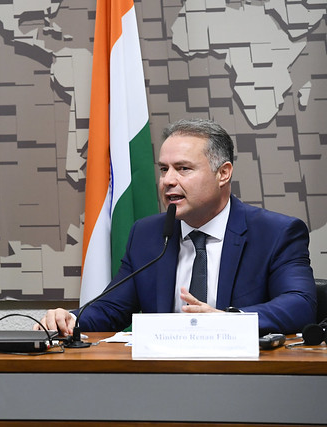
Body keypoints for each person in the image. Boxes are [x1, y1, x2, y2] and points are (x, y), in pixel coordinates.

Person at [37, 118, 316, 336]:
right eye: (163, 169)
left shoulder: (276, 233)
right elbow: (111, 309)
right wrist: (70, 319)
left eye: (183, 169)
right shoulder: (147, 234)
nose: (168, 181)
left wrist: (230, 321)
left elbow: (300, 304)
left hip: (245, 376)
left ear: (223, 173)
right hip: (163, 378)